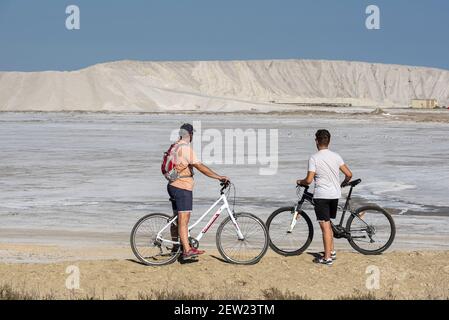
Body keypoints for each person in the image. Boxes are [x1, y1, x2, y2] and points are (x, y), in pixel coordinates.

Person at [168, 123, 229, 260]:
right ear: (190, 134)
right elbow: (200, 167)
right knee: (184, 220)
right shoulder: (185, 149)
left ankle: (176, 247)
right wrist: (218, 177)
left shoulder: (175, 146)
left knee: (177, 218)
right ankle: (187, 251)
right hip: (182, 187)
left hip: (173, 185)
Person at [298, 129, 352, 266]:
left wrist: (300, 181)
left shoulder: (314, 158)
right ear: (329, 141)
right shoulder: (336, 156)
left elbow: (309, 180)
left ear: (316, 141)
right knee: (328, 223)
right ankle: (331, 251)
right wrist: (343, 183)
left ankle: (327, 258)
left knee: (325, 227)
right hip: (335, 194)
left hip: (322, 195)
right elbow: (349, 174)